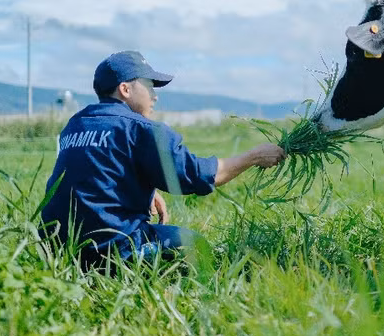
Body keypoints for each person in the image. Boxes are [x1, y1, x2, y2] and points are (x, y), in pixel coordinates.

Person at [40, 50, 285, 270]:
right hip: (113, 251)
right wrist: (254, 156)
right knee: (196, 246)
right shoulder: (142, 129)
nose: (155, 96)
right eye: (150, 86)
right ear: (125, 89)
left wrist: (145, 189)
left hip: (59, 250)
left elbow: (96, 173)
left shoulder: (76, 125)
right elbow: (198, 176)